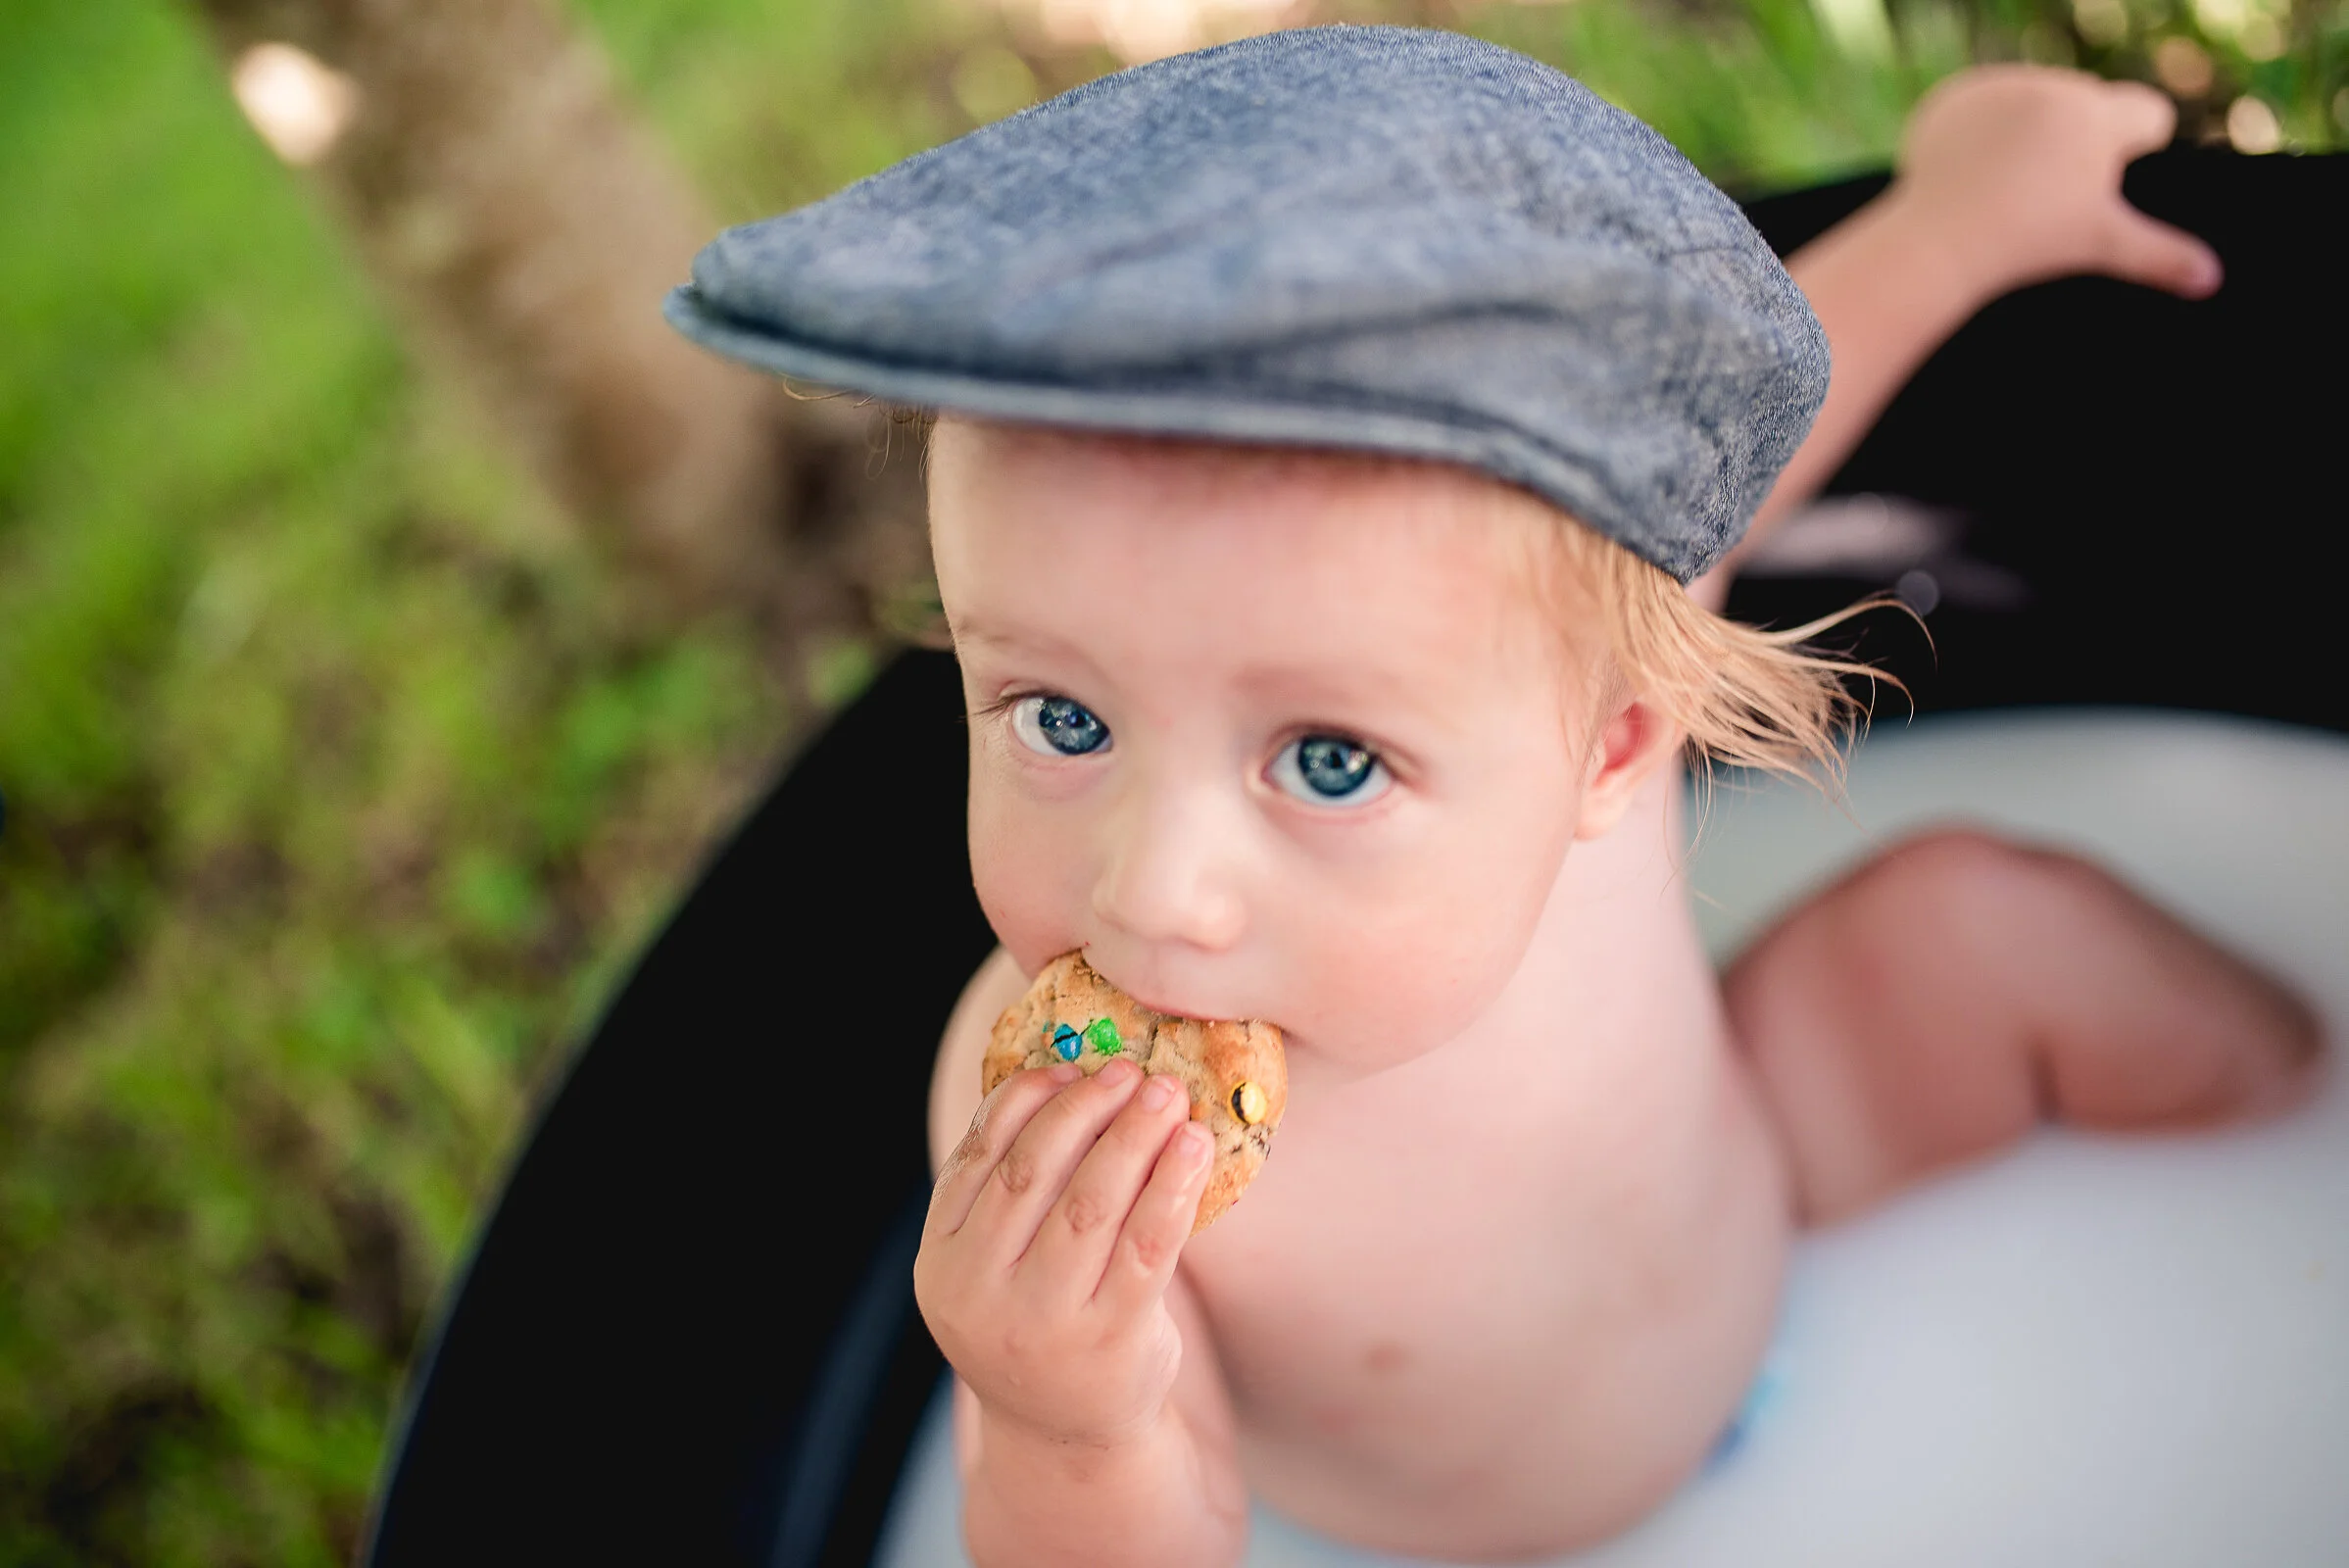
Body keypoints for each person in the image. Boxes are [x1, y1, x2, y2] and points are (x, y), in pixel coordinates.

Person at [667, 32, 2321, 1565]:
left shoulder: (1583, 663)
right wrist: (1060, 1412)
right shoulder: (1059, 1128)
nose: (1155, 892)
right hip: (1475, 1532)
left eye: (1326, 759)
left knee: (1981, 930)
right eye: (1061, 716)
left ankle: (2304, 1141)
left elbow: (1759, 449)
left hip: (1768, 1178)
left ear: (1613, 740)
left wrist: (1962, 218)